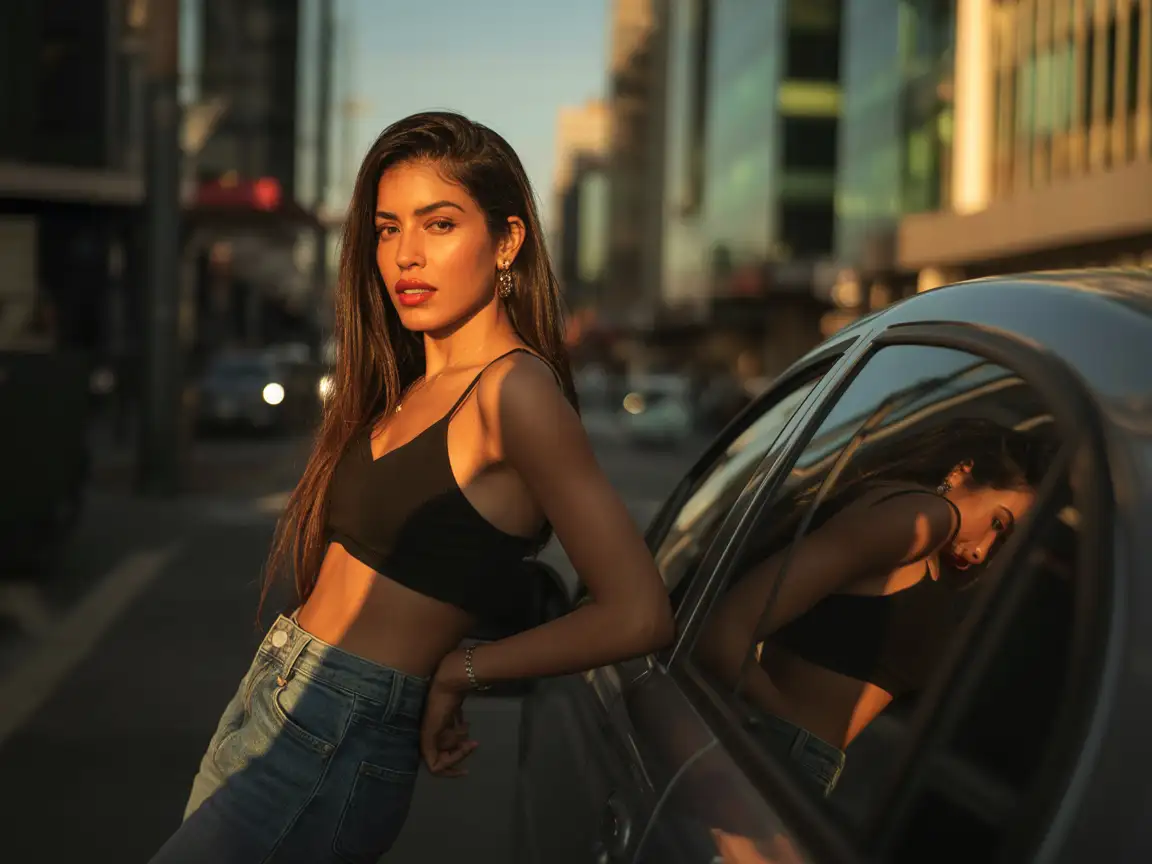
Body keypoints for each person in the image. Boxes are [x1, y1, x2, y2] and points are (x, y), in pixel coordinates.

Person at [149, 111, 674, 863]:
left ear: (507, 241)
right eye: (389, 229)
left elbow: (639, 613)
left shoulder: (514, 393)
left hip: (334, 734)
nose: (406, 256)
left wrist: (461, 670)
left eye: (439, 224)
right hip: (271, 697)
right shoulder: (405, 384)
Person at [694, 418, 1053, 797]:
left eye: (1003, 540)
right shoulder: (924, 517)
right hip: (777, 755)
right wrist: (792, 738)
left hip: (779, 752)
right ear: (962, 472)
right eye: (997, 522)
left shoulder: (914, 534)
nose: (981, 551)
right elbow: (723, 632)